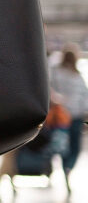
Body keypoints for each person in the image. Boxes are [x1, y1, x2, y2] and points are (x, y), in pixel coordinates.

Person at [51, 44, 88, 191]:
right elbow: (85, 97)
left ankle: (66, 167)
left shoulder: (58, 73)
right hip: (73, 116)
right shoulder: (76, 76)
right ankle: (68, 168)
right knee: (74, 147)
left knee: (63, 145)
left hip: (63, 117)